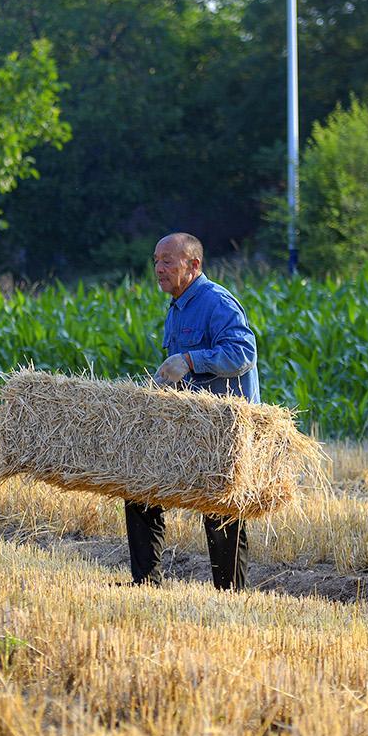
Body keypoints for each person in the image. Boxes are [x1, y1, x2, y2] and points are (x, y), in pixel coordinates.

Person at [126, 232, 260, 591]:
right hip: (188, 424)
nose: (159, 268)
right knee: (139, 487)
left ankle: (229, 595)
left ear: (194, 265)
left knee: (219, 507)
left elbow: (243, 354)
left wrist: (189, 359)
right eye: (156, 260)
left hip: (222, 429)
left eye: (168, 260)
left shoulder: (216, 302)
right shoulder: (177, 307)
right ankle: (146, 583)